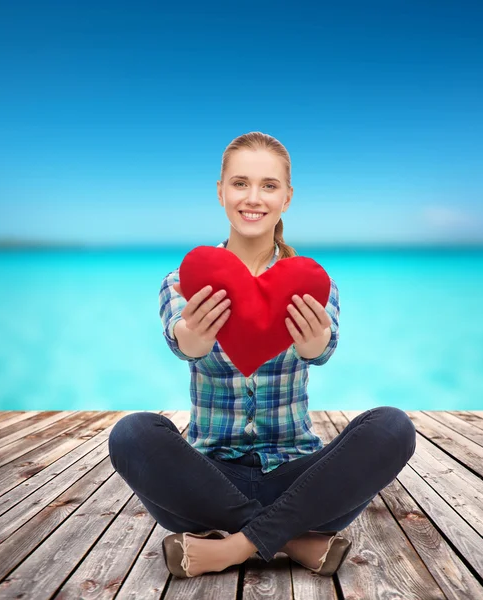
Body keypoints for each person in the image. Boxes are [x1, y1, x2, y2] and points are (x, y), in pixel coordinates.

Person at [108, 131, 417, 578]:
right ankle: (292, 541)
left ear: (287, 197)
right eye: (240, 183)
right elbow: (181, 339)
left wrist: (313, 346)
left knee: (393, 426)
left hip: (302, 482)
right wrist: (193, 336)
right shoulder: (183, 281)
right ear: (220, 191)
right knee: (132, 433)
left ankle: (230, 547)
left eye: (269, 185)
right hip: (209, 483)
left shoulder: (311, 282)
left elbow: (323, 349)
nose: (253, 198)